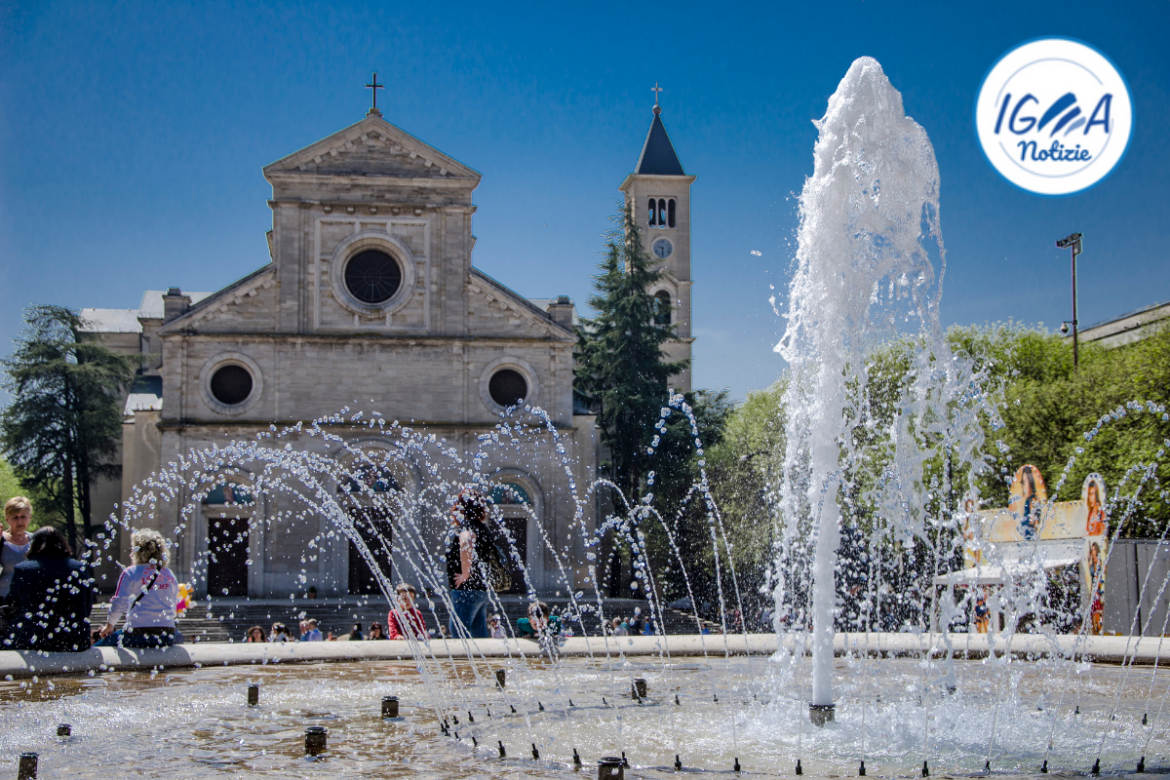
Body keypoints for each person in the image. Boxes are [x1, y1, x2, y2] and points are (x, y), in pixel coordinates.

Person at [5, 527, 93, 652]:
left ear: (34, 545)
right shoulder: (79, 568)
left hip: (32, 639)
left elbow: (12, 603)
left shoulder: (23, 569)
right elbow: (87, 605)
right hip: (75, 640)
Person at [97, 529, 180, 648]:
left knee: (97, 649)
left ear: (138, 550)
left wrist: (109, 626)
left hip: (137, 633)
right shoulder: (168, 573)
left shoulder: (130, 572)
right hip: (167, 634)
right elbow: (175, 602)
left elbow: (119, 603)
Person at [446, 490, 497, 639]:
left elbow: (467, 539)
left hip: (466, 591)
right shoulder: (482, 527)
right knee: (478, 634)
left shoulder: (467, 526)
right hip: (480, 589)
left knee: (458, 633)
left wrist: (465, 574)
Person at [0, 497, 33, 609]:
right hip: (3, 601)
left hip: (29, 600)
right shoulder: (1, 539)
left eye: (23, 517)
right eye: (15, 517)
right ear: (7, 519)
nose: (19, 521)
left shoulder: (36, 540)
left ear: (29, 517)